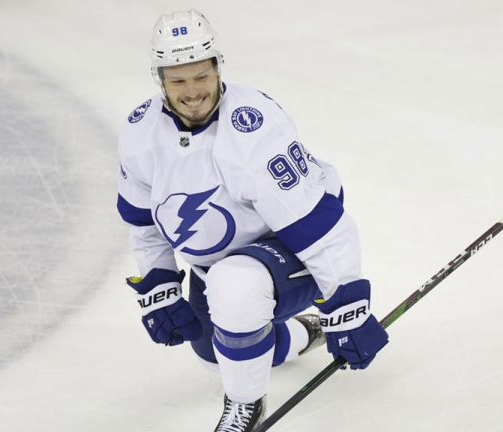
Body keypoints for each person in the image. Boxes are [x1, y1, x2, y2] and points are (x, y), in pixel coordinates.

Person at [117, 9, 389, 432]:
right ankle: (302, 334)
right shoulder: (140, 134)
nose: (192, 92)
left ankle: (245, 406)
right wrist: (161, 285)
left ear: (217, 68)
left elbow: (317, 226)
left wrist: (347, 305)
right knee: (216, 353)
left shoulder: (252, 129)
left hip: (290, 252)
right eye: (178, 80)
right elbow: (144, 223)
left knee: (235, 289)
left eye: (201, 77)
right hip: (217, 266)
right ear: (160, 80)